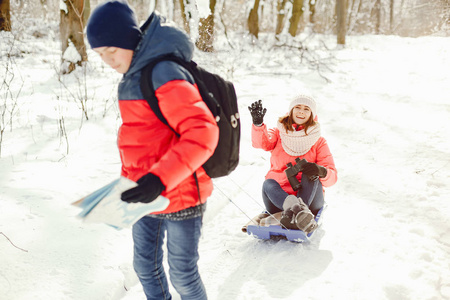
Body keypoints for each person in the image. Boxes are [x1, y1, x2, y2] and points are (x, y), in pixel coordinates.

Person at [86, 1, 219, 299]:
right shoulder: (132, 75)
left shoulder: (163, 71)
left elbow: (203, 131)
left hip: (182, 196)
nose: (107, 60)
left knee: (183, 275)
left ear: (130, 40)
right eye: (99, 54)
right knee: (145, 268)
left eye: (112, 50)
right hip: (146, 196)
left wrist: (158, 179)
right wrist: (128, 184)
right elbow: (142, 138)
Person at [248, 95, 337, 233]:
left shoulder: (319, 141)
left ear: (312, 114)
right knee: (268, 183)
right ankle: (298, 214)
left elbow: (332, 178)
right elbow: (262, 143)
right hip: (280, 200)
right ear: (291, 111)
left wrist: (321, 171)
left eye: (306, 109)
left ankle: (299, 215)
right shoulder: (279, 133)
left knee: (311, 175)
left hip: (310, 198)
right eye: (297, 107)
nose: (301, 111)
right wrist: (258, 125)